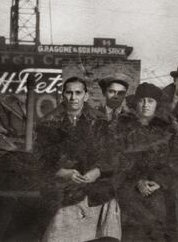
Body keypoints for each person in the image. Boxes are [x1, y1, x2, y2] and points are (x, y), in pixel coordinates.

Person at [34, 76, 121, 242]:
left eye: (78, 93)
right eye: (69, 93)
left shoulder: (100, 121)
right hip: (61, 184)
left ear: (85, 96)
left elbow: (111, 154)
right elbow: (39, 158)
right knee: (64, 208)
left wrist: (97, 171)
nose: (73, 97)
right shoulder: (48, 123)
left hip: (94, 183)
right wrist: (62, 172)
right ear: (63, 96)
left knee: (109, 199)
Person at [110, 82, 178, 242]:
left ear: (157, 104)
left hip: (161, 188)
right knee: (134, 228)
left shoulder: (170, 127)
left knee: (161, 223)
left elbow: (175, 159)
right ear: (135, 102)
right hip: (129, 187)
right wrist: (137, 181)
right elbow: (116, 159)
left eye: (150, 101)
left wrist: (159, 181)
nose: (145, 105)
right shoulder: (120, 126)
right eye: (141, 100)